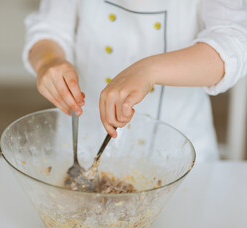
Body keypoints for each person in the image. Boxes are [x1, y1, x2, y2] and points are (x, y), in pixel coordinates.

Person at [22, 0, 247, 162]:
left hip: (178, 156)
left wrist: (149, 70)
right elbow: (50, 27)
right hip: (82, 142)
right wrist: (48, 61)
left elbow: (234, 41)